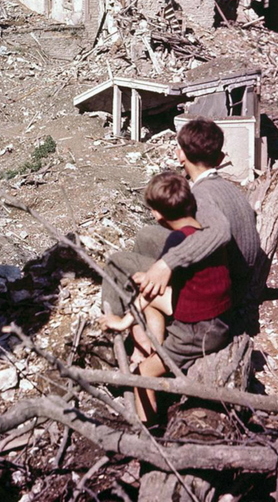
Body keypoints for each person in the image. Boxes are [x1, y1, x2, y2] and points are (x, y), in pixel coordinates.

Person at [102, 117, 261, 336]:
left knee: (116, 261)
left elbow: (220, 232)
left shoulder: (202, 196)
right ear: (221, 158)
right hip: (238, 277)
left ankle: (114, 329)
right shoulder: (228, 188)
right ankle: (146, 311)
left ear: (181, 155)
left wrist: (166, 265)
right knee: (147, 235)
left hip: (221, 296)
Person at [100, 171, 232, 422]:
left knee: (142, 375)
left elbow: (153, 289)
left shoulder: (176, 241)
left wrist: (123, 321)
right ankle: (154, 346)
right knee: (150, 301)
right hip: (218, 316)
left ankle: (149, 431)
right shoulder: (204, 234)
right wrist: (148, 278)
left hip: (199, 332)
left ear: (159, 215)